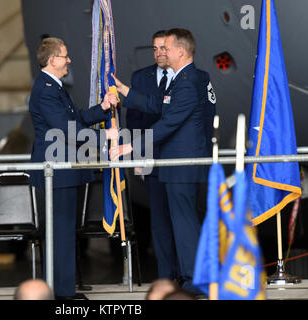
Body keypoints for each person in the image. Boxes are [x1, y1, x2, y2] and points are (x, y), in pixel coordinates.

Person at [111, 28, 216, 295]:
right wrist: (126, 91)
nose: (162, 53)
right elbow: (160, 104)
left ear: (180, 51)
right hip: (178, 165)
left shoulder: (188, 82)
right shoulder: (186, 79)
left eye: (166, 48)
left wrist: (132, 145)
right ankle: (188, 276)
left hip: (181, 164)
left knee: (185, 224)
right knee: (181, 222)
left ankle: (194, 280)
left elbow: (169, 121)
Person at [29, 36, 118, 300]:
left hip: (65, 171)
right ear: (53, 60)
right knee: (60, 233)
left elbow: (75, 118)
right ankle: (59, 295)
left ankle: (62, 291)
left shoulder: (53, 86)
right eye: (65, 56)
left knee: (65, 232)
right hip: (57, 173)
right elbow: (66, 131)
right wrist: (106, 138)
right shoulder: (46, 90)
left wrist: (101, 109)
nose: (69, 60)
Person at [126, 30, 181, 278]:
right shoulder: (141, 77)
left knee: (182, 219)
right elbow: (134, 121)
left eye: (163, 48)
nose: (159, 53)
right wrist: (138, 156)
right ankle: (166, 276)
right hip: (152, 160)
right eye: (155, 48)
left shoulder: (185, 76)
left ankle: (186, 273)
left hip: (180, 158)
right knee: (159, 220)